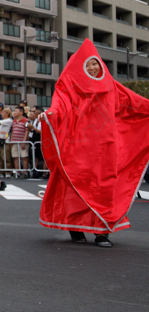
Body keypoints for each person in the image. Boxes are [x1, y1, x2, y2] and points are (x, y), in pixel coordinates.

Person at [39, 40, 149, 247]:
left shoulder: (112, 87)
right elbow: (60, 105)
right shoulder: (69, 85)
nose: (91, 68)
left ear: (100, 64)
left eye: (94, 63)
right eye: (86, 64)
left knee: (104, 187)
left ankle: (102, 231)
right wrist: (51, 114)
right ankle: (76, 226)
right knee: (76, 187)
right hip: (79, 147)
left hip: (107, 147)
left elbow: (135, 104)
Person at [9, 106, 29, 178]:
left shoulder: (25, 120)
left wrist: (24, 142)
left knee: (24, 157)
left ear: (21, 112)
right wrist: (11, 141)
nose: (14, 112)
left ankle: (25, 172)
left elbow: (27, 131)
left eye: (16, 111)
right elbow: (12, 131)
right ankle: (17, 172)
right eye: (14, 111)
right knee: (15, 157)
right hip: (14, 141)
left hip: (22, 141)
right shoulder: (14, 120)